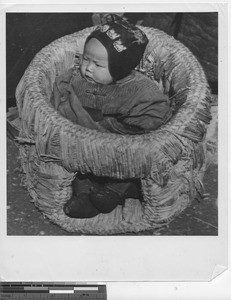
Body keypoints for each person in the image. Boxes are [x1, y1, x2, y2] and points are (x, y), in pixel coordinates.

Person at [50, 14, 173, 219]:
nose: (88, 68)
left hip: (119, 152)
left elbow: (155, 118)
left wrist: (118, 130)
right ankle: (85, 195)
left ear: (121, 67)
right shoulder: (79, 78)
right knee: (76, 168)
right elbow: (63, 92)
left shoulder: (139, 90)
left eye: (97, 65)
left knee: (133, 168)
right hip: (83, 146)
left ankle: (115, 191)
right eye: (86, 59)